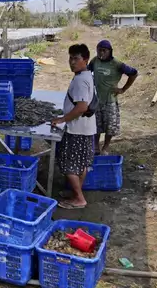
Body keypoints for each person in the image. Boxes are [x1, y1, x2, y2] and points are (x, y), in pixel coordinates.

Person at [51, 44, 96, 209]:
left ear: (85, 60)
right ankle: (76, 193)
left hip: (77, 129)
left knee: (69, 165)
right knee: (80, 164)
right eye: (70, 58)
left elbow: (82, 107)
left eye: (76, 58)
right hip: (86, 128)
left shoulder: (80, 80)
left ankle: (79, 199)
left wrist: (62, 119)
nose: (72, 62)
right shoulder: (86, 75)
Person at [88, 40, 138, 155]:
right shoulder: (95, 61)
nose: (101, 53)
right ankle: (95, 146)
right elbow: (87, 72)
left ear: (110, 51)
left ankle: (105, 147)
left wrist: (123, 89)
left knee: (110, 126)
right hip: (96, 100)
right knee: (96, 125)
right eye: (99, 50)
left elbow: (134, 73)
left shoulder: (117, 64)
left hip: (110, 101)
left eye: (104, 50)